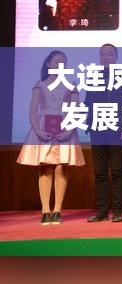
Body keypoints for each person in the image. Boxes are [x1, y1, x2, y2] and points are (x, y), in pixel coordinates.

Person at [17, 51, 85, 224]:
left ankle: (58, 210)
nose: (60, 65)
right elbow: (33, 111)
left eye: (64, 62)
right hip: (43, 129)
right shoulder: (40, 85)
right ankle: (45, 210)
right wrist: (38, 131)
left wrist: (69, 131)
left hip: (65, 128)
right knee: (45, 168)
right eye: (57, 62)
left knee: (61, 168)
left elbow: (76, 111)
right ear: (48, 64)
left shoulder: (72, 85)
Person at [85, 44, 122, 223]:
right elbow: (88, 102)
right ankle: (101, 211)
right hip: (97, 130)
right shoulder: (93, 76)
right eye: (103, 54)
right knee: (100, 172)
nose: (106, 57)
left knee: (117, 171)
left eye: (109, 54)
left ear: (116, 57)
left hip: (117, 131)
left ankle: (117, 211)